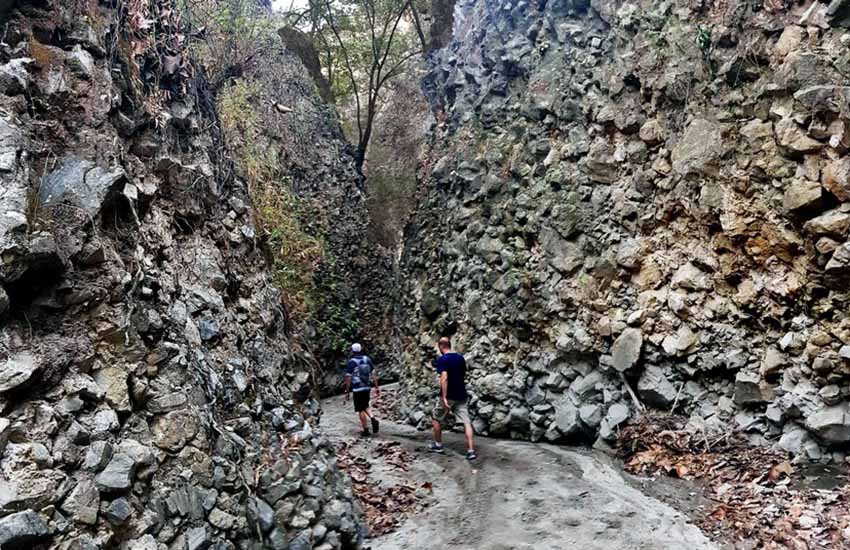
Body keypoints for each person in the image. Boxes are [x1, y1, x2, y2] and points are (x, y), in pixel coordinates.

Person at [429, 336, 477, 460]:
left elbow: (444, 378)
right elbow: (463, 374)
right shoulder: (460, 358)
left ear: (441, 346)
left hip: (449, 395)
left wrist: (444, 397)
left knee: (436, 418)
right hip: (461, 394)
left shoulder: (443, 360)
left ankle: (438, 445)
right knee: (466, 422)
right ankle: (471, 450)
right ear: (449, 345)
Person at [344, 343, 381, 437]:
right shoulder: (367, 359)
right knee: (365, 405)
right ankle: (373, 418)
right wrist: (376, 387)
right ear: (361, 349)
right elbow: (373, 374)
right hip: (367, 387)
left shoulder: (351, 362)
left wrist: (347, 391)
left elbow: (348, 378)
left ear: (352, 351)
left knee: (360, 409)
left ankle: (366, 429)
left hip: (357, 388)